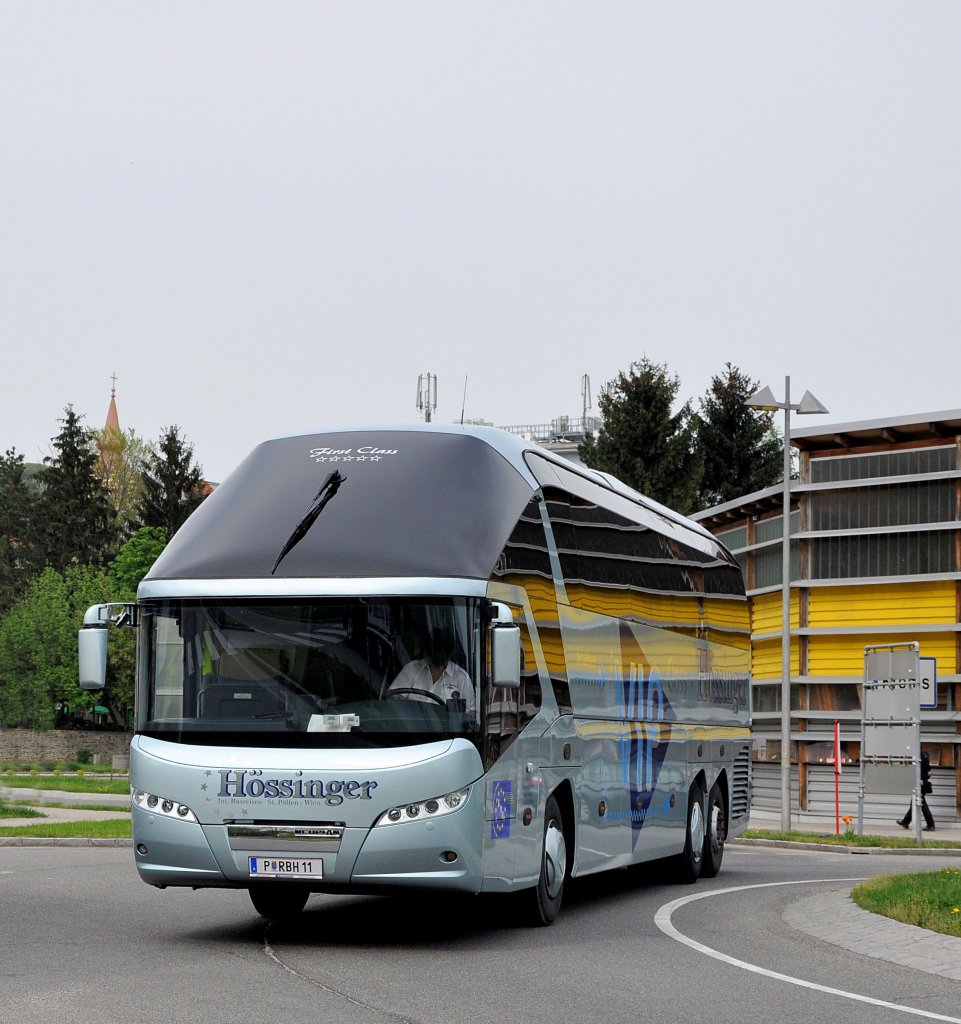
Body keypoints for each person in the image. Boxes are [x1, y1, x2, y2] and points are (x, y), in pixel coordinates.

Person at [388, 627, 475, 714]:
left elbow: (471, 713)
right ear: (428, 649)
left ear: (452, 652)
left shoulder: (462, 678)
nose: (439, 654)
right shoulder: (412, 668)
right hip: (410, 725)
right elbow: (393, 698)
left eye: (443, 650)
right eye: (436, 649)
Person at [897, 751, 935, 831]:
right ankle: (905, 822)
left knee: (921, 804)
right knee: (914, 803)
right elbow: (929, 772)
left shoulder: (917, 757)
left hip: (919, 783)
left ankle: (931, 824)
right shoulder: (924, 755)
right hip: (922, 782)